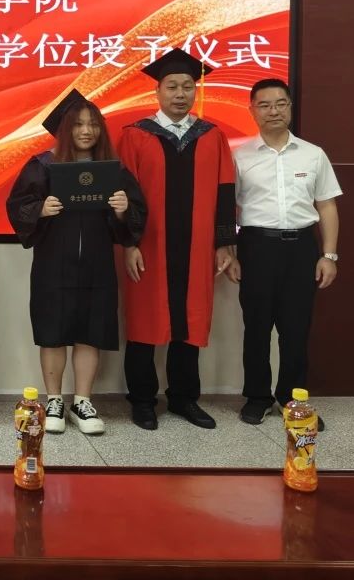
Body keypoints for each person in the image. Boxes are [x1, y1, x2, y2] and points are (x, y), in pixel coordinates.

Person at [6, 89, 146, 435]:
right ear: (64, 129)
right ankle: (54, 399)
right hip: (53, 263)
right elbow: (18, 205)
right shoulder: (43, 165)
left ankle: (82, 401)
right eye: (78, 124)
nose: (86, 131)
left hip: (97, 263)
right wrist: (40, 210)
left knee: (90, 331)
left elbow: (134, 216)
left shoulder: (113, 170)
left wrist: (123, 210)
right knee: (52, 333)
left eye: (93, 124)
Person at [118, 49, 237, 431]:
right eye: (172, 86)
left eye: (187, 86)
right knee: (144, 321)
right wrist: (130, 243)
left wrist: (224, 243)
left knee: (190, 319)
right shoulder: (136, 135)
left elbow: (225, 191)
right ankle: (142, 400)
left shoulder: (212, 136)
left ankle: (184, 398)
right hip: (149, 246)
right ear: (158, 92)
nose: (180, 94)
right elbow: (125, 195)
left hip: (197, 246)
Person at [234, 77, 341, 430]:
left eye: (280, 103)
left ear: (290, 107)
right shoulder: (239, 156)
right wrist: (230, 251)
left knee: (296, 330)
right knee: (256, 328)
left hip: (301, 249)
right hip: (256, 247)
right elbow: (228, 209)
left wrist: (329, 255)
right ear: (252, 111)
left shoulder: (313, 154)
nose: (273, 111)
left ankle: (293, 400)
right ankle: (257, 397)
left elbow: (326, 206)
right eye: (264, 105)